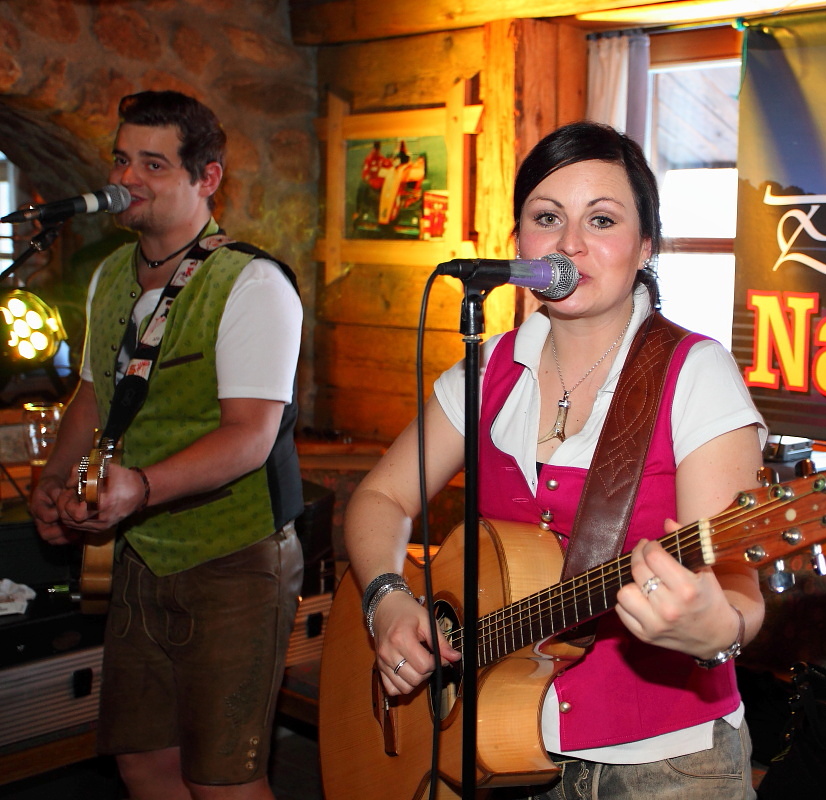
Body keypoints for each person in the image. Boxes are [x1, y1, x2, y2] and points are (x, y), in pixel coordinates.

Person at [344, 120, 767, 799]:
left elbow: (739, 590)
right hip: (493, 746)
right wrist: (388, 601)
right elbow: (379, 499)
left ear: (645, 246)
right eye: (548, 218)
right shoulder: (485, 374)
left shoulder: (695, 372)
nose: (570, 244)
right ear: (519, 245)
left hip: (664, 765)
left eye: (601, 219)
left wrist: (717, 630)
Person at [29, 90, 304, 800]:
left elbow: (250, 437)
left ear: (206, 178)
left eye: (154, 164)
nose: (128, 179)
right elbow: (93, 392)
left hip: (234, 563)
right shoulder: (109, 274)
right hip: (142, 556)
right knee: (143, 761)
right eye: (123, 159)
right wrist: (54, 478)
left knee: (223, 779)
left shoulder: (251, 282)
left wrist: (140, 488)